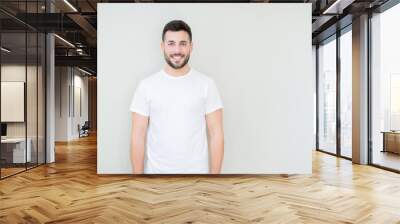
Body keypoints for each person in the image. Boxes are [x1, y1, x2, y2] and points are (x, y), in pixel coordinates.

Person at [129, 20, 224, 174]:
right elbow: (138, 136)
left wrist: (214, 179)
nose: (177, 50)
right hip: (156, 178)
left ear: (191, 46)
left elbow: (216, 133)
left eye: (183, 43)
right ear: (162, 46)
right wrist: (138, 179)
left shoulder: (207, 84)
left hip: (197, 177)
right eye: (171, 43)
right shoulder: (146, 86)